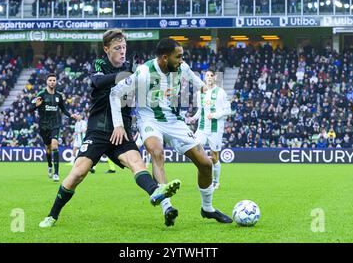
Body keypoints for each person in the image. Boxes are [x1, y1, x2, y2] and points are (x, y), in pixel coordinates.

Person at [39, 29, 180, 228]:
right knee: (79, 172)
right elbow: (96, 81)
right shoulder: (100, 65)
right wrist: (126, 75)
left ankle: (163, 201)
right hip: (98, 129)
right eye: (117, 48)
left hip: (121, 129)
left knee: (137, 164)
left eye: (124, 47)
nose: (122, 52)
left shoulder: (131, 67)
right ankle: (52, 215)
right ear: (106, 50)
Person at [110, 38, 233, 227]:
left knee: (206, 164)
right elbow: (115, 93)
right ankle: (167, 207)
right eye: (179, 57)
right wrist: (118, 125)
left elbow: (199, 83)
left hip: (175, 121)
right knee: (157, 153)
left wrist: (211, 95)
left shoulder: (181, 68)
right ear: (165, 58)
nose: (182, 60)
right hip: (150, 119)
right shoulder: (143, 72)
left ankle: (207, 208)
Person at [29, 73, 80, 181]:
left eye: (54, 80)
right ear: (47, 82)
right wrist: (35, 106)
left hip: (55, 124)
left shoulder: (59, 96)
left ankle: (56, 173)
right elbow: (30, 109)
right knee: (48, 149)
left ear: (56, 82)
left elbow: (63, 109)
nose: (52, 82)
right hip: (43, 126)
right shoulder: (41, 94)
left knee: (55, 145)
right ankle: (49, 165)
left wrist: (71, 115)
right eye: (50, 80)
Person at [186, 69, 232, 189]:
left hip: (215, 129)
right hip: (201, 128)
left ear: (215, 77)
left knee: (215, 156)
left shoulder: (221, 92)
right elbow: (200, 110)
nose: (209, 77)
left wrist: (215, 115)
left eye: (211, 75)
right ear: (204, 77)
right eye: (207, 75)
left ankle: (216, 182)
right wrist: (193, 118)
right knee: (196, 152)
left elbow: (228, 110)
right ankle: (203, 181)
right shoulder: (200, 92)